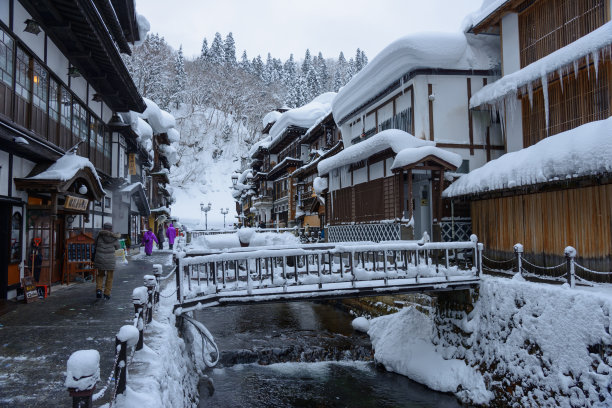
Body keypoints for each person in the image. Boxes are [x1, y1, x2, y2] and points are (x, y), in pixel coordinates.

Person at [93, 222, 120, 300]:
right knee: (110, 277)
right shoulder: (114, 237)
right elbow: (117, 247)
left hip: (100, 258)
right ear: (111, 229)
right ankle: (107, 294)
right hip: (110, 260)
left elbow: (95, 244)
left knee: (100, 275)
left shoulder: (99, 236)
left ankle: (99, 289)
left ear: (103, 228)